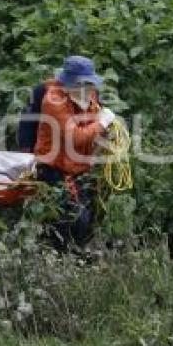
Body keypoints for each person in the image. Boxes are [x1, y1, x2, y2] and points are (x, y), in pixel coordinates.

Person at [33, 55, 116, 246]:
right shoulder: (53, 101)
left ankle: (75, 258)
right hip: (54, 168)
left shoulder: (90, 95)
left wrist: (106, 135)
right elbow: (75, 137)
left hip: (79, 167)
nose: (89, 90)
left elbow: (92, 127)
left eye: (90, 84)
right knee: (70, 218)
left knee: (84, 217)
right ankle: (59, 259)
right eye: (84, 84)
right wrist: (102, 124)